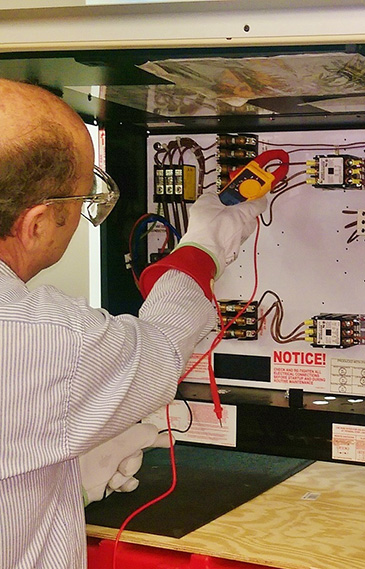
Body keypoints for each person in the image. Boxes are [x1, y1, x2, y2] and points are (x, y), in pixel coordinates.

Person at [0, 79, 267, 568]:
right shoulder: (38, 335)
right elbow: (162, 345)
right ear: (36, 223)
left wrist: (56, 479)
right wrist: (205, 244)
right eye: (82, 204)